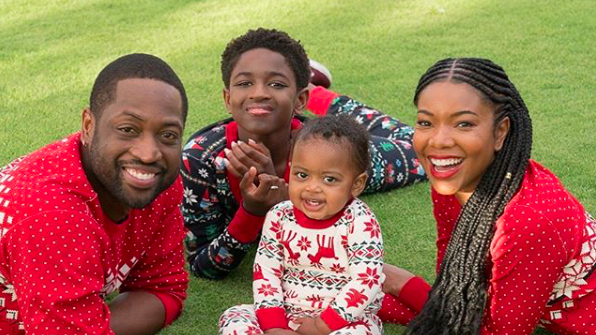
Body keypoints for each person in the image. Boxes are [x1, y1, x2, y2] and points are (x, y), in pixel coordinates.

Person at [180, 28, 426, 282]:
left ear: (299, 99)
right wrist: (252, 210)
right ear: (228, 99)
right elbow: (203, 266)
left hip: (323, 141)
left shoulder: (329, 151)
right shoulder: (200, 160)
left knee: (421, 151)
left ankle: (322, 98)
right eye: (245, 83)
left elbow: (331, 234)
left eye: (276, 84)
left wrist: (286, 198)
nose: (259, 93)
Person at [398, 58, 596, 334]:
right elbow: (453, 286)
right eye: (425, 122)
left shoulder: (527, 219)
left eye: (464, 124)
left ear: (500, 132)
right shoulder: (453, 175)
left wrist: (400, 283)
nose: (439, 141)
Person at [0, 53, 189, 335]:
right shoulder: (51, 213)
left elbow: (165, 289)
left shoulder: (158, 184)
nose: (149, 154)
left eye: (168, 135)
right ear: (88, 126)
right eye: (128, 129)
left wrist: (88, 323)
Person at [219, 115, 386, 335]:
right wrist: (274, 327)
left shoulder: (361, 221)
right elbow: (266, 271)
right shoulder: (279, 215)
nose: (312, 188)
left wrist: (322, 325)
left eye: (329, 179)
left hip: (343, 322)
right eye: (302, 175)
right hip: (286, 314)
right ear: (291, 169)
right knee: (233, 318)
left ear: (356, 184)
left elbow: (366, 279)